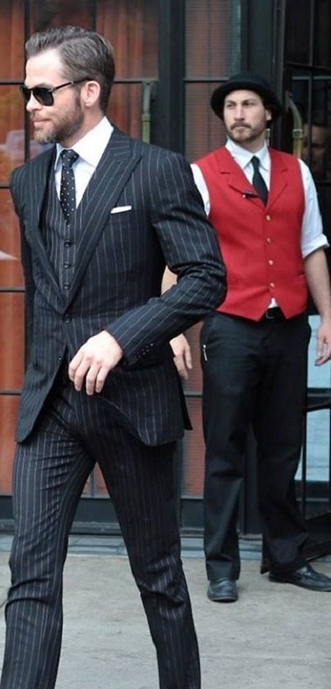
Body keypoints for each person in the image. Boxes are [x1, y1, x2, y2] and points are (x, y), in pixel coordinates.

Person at [0, 26, 226, 689]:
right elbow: (47, 292)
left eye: (43, 91)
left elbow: (205, 278)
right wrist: (46, 367)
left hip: (132, 402)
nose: (29, 104)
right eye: (25, 91)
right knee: (30, 571)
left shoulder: (157, 170)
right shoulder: (27, 182)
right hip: (52, 407)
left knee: (157, 570)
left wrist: (126, 335)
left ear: (90, 91)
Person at [164, 72, 331, 604]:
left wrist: (328, 317)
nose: (238, 113)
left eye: (249, 104)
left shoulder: (296, 171)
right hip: (230, 326)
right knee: (225, 449)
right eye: (230, 106)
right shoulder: (201, 173)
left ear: (269, 115)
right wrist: (173, 328)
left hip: (289, 328)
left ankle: (286, 557)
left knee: (283, 448)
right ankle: (221, 567)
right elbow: (179, 254)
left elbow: (312, 246)